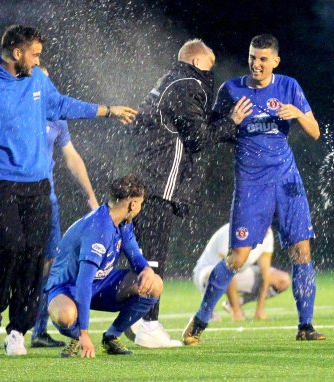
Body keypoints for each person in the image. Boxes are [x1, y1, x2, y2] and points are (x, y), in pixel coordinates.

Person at [0, 24, 138, 356]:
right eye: (34, 55)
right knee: (9, 246)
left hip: (37, 184)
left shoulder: (36, 80)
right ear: (16, 53)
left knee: (35, 258)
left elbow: (61, 105)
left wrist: (106, 110)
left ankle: (18, 329)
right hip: (0, 182)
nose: (37, 61)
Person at [182, 34, 324, 346]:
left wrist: (298, 114)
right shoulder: (231, 90)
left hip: (287, 180)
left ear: (275, 61)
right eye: (252, 57)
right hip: (251, 184)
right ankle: (200, 320)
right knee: (238, 256)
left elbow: (314, 132)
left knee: (301, 250)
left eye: (263, 59)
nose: (256, 64)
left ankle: (306, 325)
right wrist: (233, 121)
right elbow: (213, 132)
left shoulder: (289, 87)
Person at [0, 65, 100, 349]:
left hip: (44, 201)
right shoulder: (9, 113)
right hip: (7, 195)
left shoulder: (56, 118)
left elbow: (71, 157)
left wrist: (90, 196)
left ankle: (32, 329)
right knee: (6, 254)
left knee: (45, 263)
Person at [124, 38, 252, 348]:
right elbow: (198, 138)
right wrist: (233, 121)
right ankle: (148, 324)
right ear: (196, 63)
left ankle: (133, 318)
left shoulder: (168, 82)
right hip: (159, 183)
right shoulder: (187, 83)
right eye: (209, 67)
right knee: (153, 257)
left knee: (141, 255)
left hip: (147, 178)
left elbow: (189, 127)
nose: (211, 75)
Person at [45, 174, 162, 358]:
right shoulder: (99, 228)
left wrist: (146, 269)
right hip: (68, 287)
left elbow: (134, 255)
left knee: (155, 284)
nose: (140, 208)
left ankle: (111, 337)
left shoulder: (122, 222)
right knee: (65, 316)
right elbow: (83, 283)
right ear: (132, 204)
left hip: (100, 283)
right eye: (140, 203)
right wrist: (84, 332)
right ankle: (76, 337)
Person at [193, 224, 290, 321]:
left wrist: (260, 310)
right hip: (207, 273)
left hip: (237, 273)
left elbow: (265, 273)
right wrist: (236, 312)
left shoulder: (267, 234)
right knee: (222, 273)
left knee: (283, 280)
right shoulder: (234, 231)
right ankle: (208, 309)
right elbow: (227, 269)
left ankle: (237, 302)